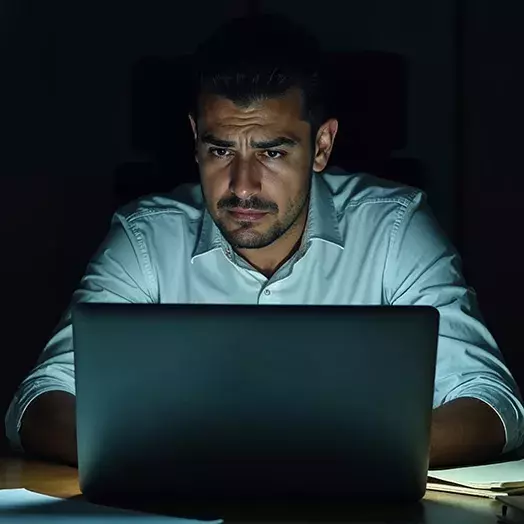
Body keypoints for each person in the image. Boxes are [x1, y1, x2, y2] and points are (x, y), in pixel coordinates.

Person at [6, 13, 523, 469]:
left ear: (321, 146)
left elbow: (492, 404)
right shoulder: (145, 238)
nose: (243, 185)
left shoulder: (394, 228)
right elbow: (39, 402)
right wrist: (204, 454)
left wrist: (323, 452)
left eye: (272, 153)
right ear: (195, 140)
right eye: (220, 150)